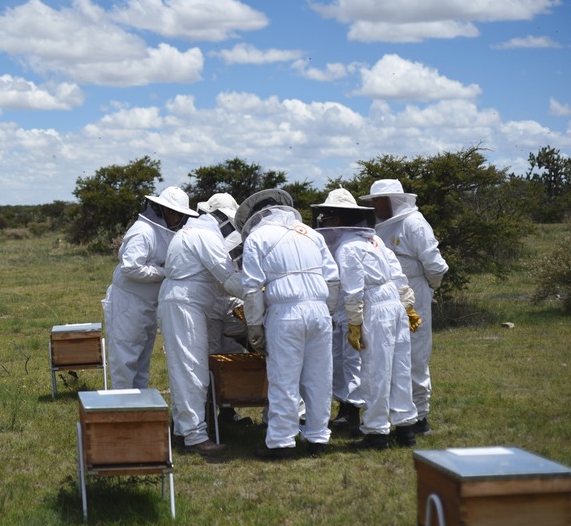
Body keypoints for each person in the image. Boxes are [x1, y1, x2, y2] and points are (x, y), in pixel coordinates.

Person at [312, 189, 422, 449]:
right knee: (399, 368)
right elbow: (397, 275)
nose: (325, 224)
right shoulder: (374, 241)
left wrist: (354, 323)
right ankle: (406, 429)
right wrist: (407, 307)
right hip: (392, 304)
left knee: (375, 371)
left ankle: (376, 433)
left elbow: (352, 290)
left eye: (327, 218)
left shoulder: (348, 249)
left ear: (337, 220)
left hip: (374, 307)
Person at [236, 189, 340, 459]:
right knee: (319, 378)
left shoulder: (258, 237)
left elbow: (251, 288)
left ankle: (282, 442)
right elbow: (333, 279)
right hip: (319, 311)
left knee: (284, 379)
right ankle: (318, 438)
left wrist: (254, 325)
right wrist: (326, 312)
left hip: (285, 314)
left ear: (257, 215)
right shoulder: (312, 234)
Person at [360, 180, 448, 435]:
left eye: (379, 200)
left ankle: (419, 416)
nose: (375, 205)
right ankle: (395, 415)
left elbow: (436, 266)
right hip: (386, 297)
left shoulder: (414, 223)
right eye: (373, 201)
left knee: (415, 355)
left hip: (416, 292)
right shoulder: (378, 226)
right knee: (389, 356)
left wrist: (427, 290)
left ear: (394, 200)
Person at [158, 192, 240, 455]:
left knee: (186, 368)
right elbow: (228, 277)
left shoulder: (193, 231)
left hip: (184, 303)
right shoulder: (204, 236)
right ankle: (195, 436)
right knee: (192, 370)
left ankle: (183, 429)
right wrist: (260, 293)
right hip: (185, 305)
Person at [102, 186, 198, 390]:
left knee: (142, 360)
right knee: (125, 360)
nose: (178, 219)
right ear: (167, 211)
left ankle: (140, 411)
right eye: (177, 214)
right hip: (128, 303)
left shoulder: (163, 231)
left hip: (148, 304)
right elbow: (131, 267)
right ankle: (122, 412)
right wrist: (164, 273)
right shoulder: (143, 231)